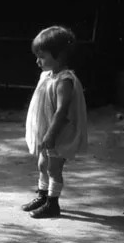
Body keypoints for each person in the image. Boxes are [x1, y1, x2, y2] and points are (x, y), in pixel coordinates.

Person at [22, 25, 88, 218]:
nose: (37, 61)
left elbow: (62, 111)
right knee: (42, 164)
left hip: (59, 132)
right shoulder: (47, 76)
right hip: (47, 130)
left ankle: (53, 203)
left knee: (53, 167)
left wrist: (51, 134)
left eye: (42, 56)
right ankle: (43, 195)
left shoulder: (64, 81)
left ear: (58, 55)